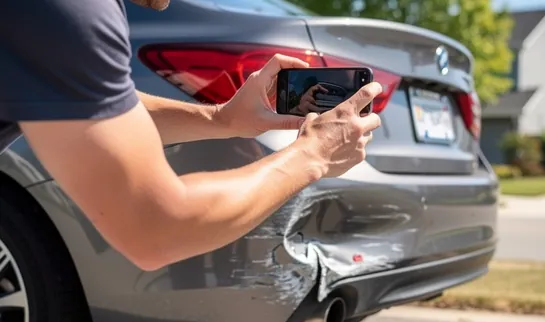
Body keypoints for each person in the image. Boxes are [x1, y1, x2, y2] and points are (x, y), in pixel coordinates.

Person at [0, 0, 383, 271]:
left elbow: (91, 103)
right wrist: (312, 156)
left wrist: (220, 119)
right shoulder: (71, 10)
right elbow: (154, 228)